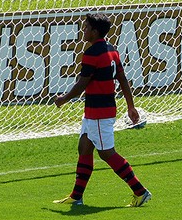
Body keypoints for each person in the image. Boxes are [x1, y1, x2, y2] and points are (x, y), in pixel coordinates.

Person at [53, 13, 152, 207]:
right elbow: (122, 79)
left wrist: (63, 99)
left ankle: (140, 191)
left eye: (86, 28)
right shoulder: (112, 51)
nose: (84, 30)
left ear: (95, 31)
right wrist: (130, 106)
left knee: (107, 153)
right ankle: (76, 196)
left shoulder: (92, 54)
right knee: (84, 147)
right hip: (95, 111)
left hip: (99, 112)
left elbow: (82, 83)